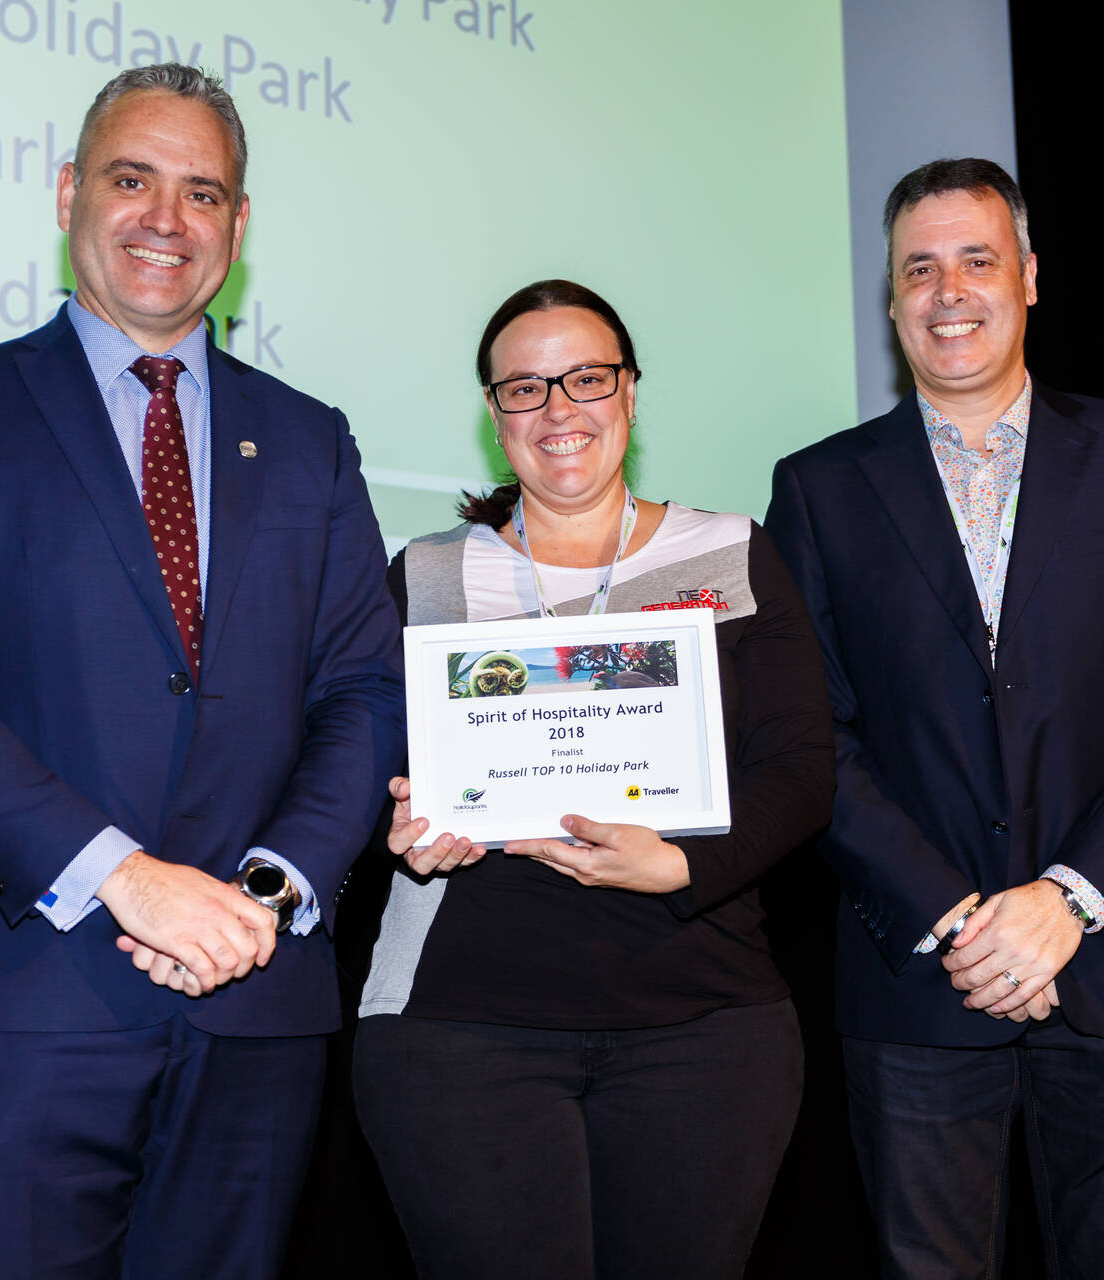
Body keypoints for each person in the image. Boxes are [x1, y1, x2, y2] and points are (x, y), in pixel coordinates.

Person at [0, 64, 403, 1279]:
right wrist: (126, 877)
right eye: (132, 179)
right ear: (68, 194)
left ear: (238, 227)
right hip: (29, 999)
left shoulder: (311, 440)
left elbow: (363, 688)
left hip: (256, 995)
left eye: (203, 192)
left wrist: (261, 892)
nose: (166, 218)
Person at [765, 157, 1104, 1278]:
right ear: (890, 300)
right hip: (921, 978)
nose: (948, 292)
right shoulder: (818, 488)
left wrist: (1068, 900)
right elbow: (811, 732)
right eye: (918, 269)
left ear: (1028, 276)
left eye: (976, 260)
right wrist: (958, 920)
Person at [351, 279, 834, 1280]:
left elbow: (799, 770)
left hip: (707, 1030)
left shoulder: (728, 551)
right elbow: (368, 764)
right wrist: (396, 825)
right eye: (525, 387)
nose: (558, 408)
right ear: (495, 415)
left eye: (586, 378)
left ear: (629, 392)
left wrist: (681, 866)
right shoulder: (427, 574)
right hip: (459, 1029)